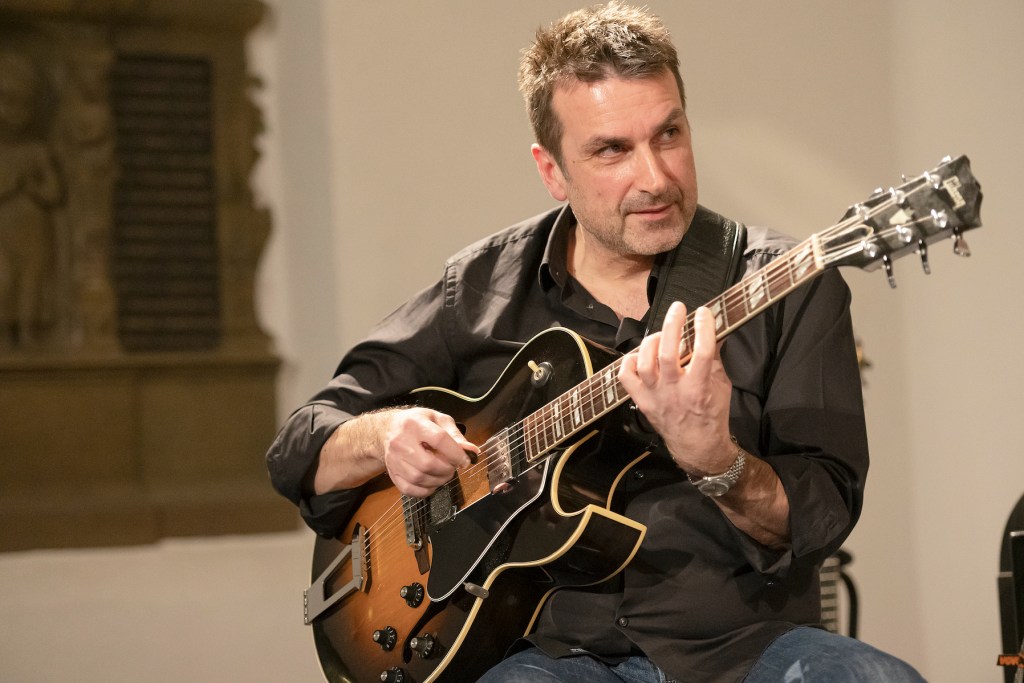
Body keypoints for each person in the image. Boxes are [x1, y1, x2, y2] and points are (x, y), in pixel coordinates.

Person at [266, 3, 925, 681]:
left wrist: (718, 462)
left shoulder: (789, 288)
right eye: (612, 150)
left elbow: (822, 515)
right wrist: (385, 436)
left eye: (668, 134)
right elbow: (298, 446)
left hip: (741, 646)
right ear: (552, 170)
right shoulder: (482, 289)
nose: (656, 178)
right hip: (547, 654)